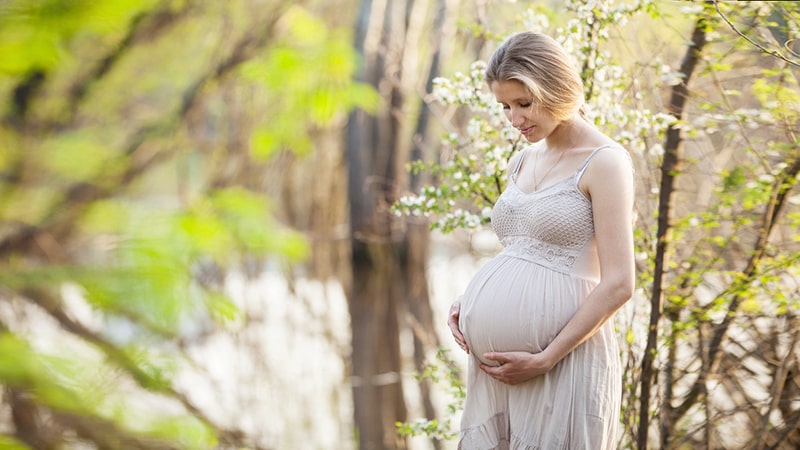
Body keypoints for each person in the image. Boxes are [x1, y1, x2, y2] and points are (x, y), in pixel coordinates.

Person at [446, 31, 635, 449]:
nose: (515, 120)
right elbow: (523, 250)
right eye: (505, 107)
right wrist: (471, 301)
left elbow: (620, 282)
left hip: (562, 363)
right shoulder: (522, 160)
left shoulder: (604, 162)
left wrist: (544, 358)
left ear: (556, 88)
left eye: (524, 104)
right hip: (500, 375)